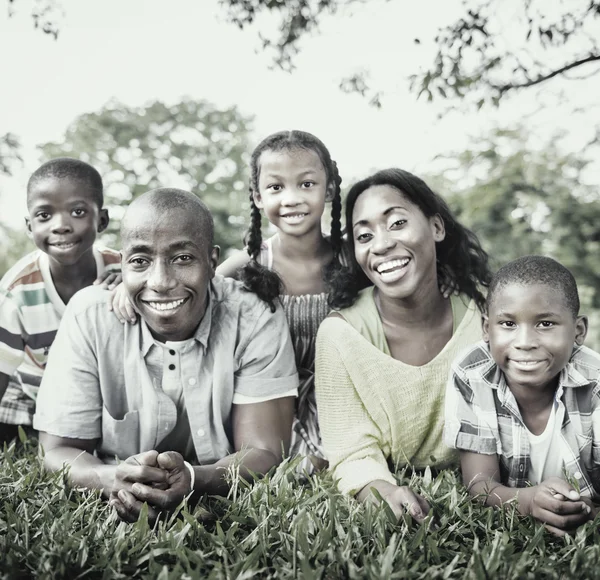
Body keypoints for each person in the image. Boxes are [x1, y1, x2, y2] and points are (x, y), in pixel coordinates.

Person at [33, 188, 298, 523]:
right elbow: (57, 450)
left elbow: (265, 452)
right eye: (140, 261)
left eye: (182, 258)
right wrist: (113, 478)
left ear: (212, 262)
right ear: (123, 263)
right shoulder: (90, 316)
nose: (160, 281)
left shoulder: (254, 315)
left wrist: (193, 478)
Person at [109, 130, 344, 472]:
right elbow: (191, 285)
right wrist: (127, 287)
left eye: (306, 184)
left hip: (341, 398)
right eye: (276, 187)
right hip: (272, 402)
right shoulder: (246, 264)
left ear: (331, 189)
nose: (291, 199)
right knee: (291, 468)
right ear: (258, 197)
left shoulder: (355, 259)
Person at [315, 168, 491, 522]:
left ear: (437, 228)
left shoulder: (487, 316)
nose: (380, 245)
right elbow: (351, 451)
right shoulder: (340, 334)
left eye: (396, 223)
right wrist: (380, 490)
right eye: (364, 235)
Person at [444, 255, 599, 536]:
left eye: (545, 324)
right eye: (508, 324)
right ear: (486, 328)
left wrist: (585, 511)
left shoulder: (595, 382)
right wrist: (527, 502)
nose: (525, 343)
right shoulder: (472, 374)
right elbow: (480, 486)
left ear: (578, 331)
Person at [0, 158, 120, 444]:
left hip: (104, 397)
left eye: (77, 212)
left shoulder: (124, 272)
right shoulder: (17, 293)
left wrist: (131, 286)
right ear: (29, 226)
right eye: (44, 215)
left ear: (101, 219)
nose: (61, 226)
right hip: (34, 395)